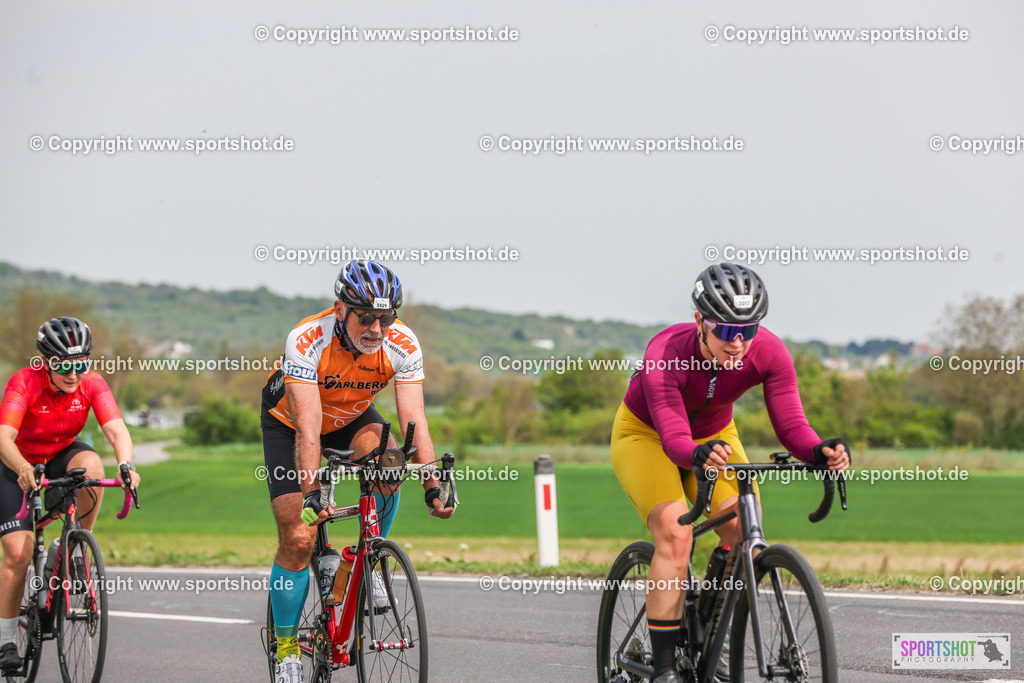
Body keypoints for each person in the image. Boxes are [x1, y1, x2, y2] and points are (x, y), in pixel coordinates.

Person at [610, 263, 851, 683]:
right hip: (647, 435)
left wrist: (819, 449)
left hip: (716, 434)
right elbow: (673, 440)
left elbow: (792, 425)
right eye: (725, 331)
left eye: (749, 330)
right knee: (675, 532)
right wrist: (695, 453)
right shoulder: (663, 353)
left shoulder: (769, 352)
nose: (738, 342)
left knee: (743, 528)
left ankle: (709, 620)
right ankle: (664, 669)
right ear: (700, 321)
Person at [261, 259, 455, 683]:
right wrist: (311, 492)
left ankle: (360, 560)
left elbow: (413, 420)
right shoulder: (308, 338)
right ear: (339, 309)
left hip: (351, 417)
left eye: (386, 318)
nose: (376, 328)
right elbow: (309, 426)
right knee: (298, 536)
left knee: (390, 459)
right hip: (291, 423)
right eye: (365, 317)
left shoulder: (401, 343)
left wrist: (433, 484)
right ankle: (288, 650)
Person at [0, 317, 140, 671]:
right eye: (64, 365)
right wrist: (22, 468)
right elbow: (3, 437)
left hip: (60, 453)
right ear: (45, 361)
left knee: (93, 467)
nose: (74, 373)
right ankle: (4, 642)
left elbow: (115, 428)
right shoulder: (24, 382)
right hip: (14, 460)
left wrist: (126, 465)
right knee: (20, 553)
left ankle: (74, 543)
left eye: (81, 364)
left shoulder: (91, 383)